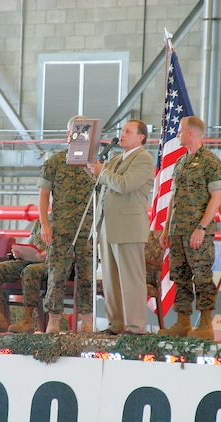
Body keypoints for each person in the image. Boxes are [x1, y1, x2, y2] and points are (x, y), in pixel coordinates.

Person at [158, 116, 221, 340]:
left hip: (197, 231)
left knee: (202, 276)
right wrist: (167, 228)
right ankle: (182, 322)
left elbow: (216, 197)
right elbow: (173, 197)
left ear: (191, 134)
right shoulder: (181, 162)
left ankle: (206, 323)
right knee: (180, 276)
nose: (178, 134)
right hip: (178, 230)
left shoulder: (210, 161)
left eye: (180, 131)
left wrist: (201, 227)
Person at [87, 119, 154, 335]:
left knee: (130, 279)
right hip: (108, 224)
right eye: (122, 131)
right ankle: (115, 324)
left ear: (141, 137)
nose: (122, 134)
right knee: (110, 278)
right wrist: (95, 170)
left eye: (127, 131)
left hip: (129, 225)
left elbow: (125, 185)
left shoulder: (143, 158)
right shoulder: (116, 159)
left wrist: (102, 172)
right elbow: (103, 183)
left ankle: (135, 327)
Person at [38, 115, 96, 333]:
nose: (80, 135)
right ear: (68, 134)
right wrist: (45, 225)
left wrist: (96, 168)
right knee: (57, 274)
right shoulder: (54, 162)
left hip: (87, 231)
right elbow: (43, 195)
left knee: (87, 274)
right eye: (76, 130)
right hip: (61, 230)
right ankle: (54, 319)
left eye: (84, 131)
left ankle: (87, 319)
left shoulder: (94, 164)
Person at [0, 220, 48, 333]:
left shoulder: (67, 221)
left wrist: (48, 253)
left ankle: (27, 320)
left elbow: (69, 249)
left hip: (51, 263)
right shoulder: (41, 222)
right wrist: (19, 254)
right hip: (31, 260)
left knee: (30, 271)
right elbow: (31, 245)